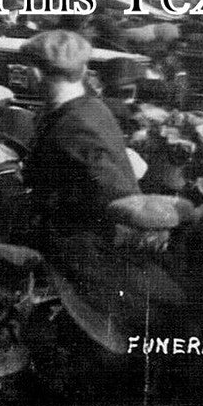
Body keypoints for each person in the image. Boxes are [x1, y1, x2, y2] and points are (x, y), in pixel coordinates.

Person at [20, 29, 141, 244]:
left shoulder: (75, 125)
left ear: (35, 73)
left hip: (77, 247)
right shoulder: (91, 108)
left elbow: (117, 193)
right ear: (84, 69)